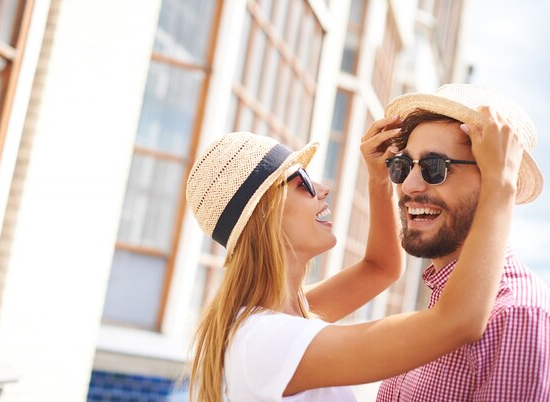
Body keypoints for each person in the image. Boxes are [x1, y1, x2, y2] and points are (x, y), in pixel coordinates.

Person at [185, 92, 523, 402]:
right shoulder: (264, 340)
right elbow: (457, 322)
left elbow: (382, 268)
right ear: (266, 215)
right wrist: (499, 185)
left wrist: (379, 181)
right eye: (301, 180)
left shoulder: (281, 314)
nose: (321, 188)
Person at [376, 83, 550, 401]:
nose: (409, 186)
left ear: (495, 177)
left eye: (434, 168)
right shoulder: (440, 302)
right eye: (402, 167)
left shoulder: (515, 315)